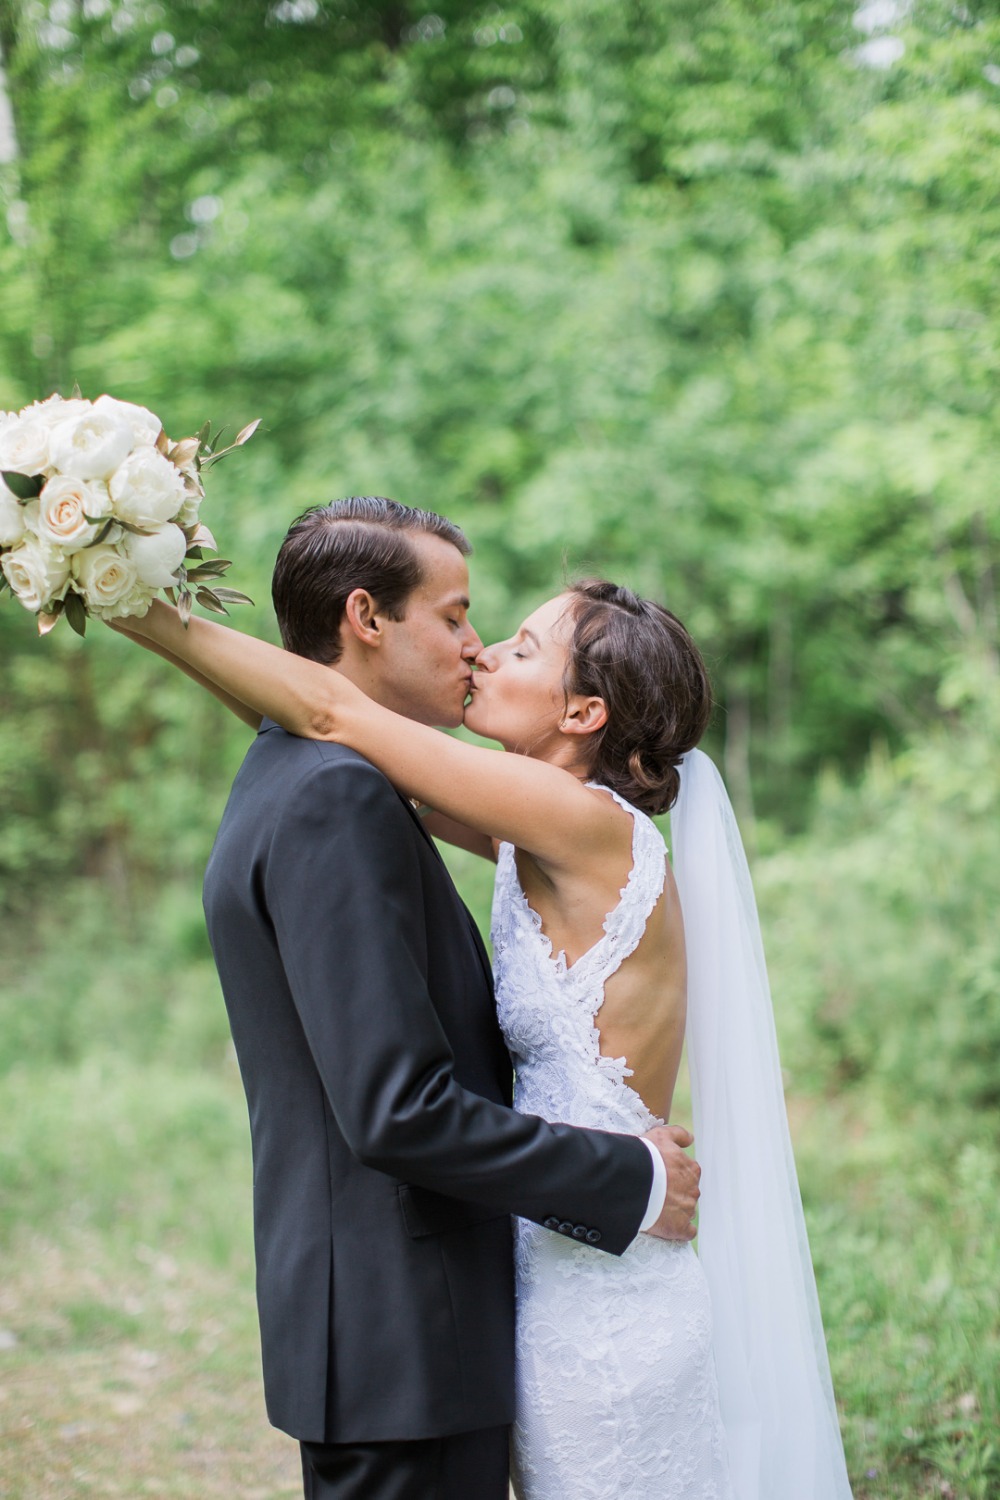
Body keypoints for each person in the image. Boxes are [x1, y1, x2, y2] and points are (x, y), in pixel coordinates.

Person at [118, 497, 854, 1499]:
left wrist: (141, 610)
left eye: (516, 646)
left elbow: (335, 717)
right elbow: (318, 729)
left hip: (605, 1274)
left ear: (583, 713)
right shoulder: (528, 834)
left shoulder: (574, 821)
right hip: (541, 1255)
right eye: (471, 626)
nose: (480, 655)